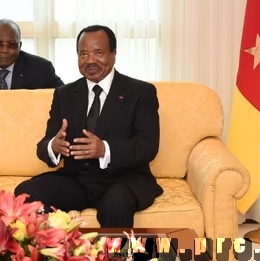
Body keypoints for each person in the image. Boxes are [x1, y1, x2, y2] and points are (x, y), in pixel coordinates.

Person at [14, 25, 162, 227]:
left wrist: (104, 150)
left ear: (113, 54)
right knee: (25, 193)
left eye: (98, 52)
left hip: (121, 180)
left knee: (116, 204)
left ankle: (117, 258)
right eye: (83, 54)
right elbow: (45, 143)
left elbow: (147, 146)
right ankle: (55, 255)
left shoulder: (140, 92)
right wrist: (53, 147)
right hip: (75, 180)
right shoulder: (64, 94)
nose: (90, 60)